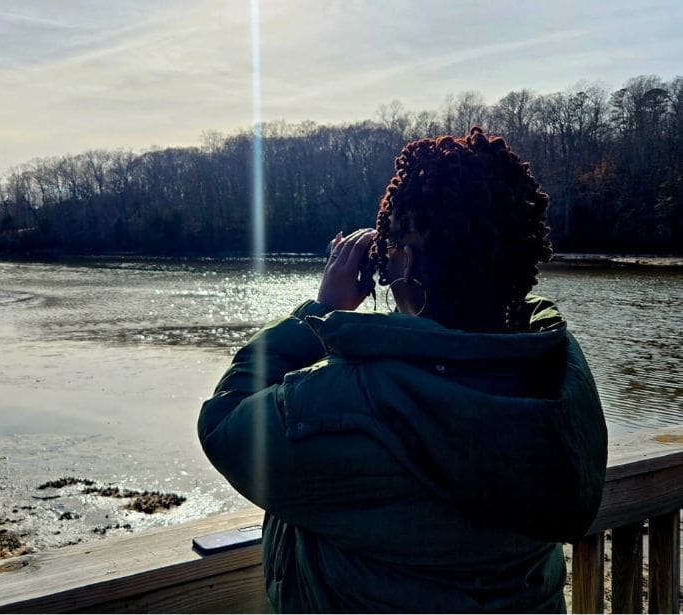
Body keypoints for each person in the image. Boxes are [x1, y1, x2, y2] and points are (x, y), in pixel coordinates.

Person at [198, 127, 607, 613]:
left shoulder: (350, 399)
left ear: (406, 261)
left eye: (388, 248)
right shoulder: (554, 376)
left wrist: (318, 312)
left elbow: (224, 422)